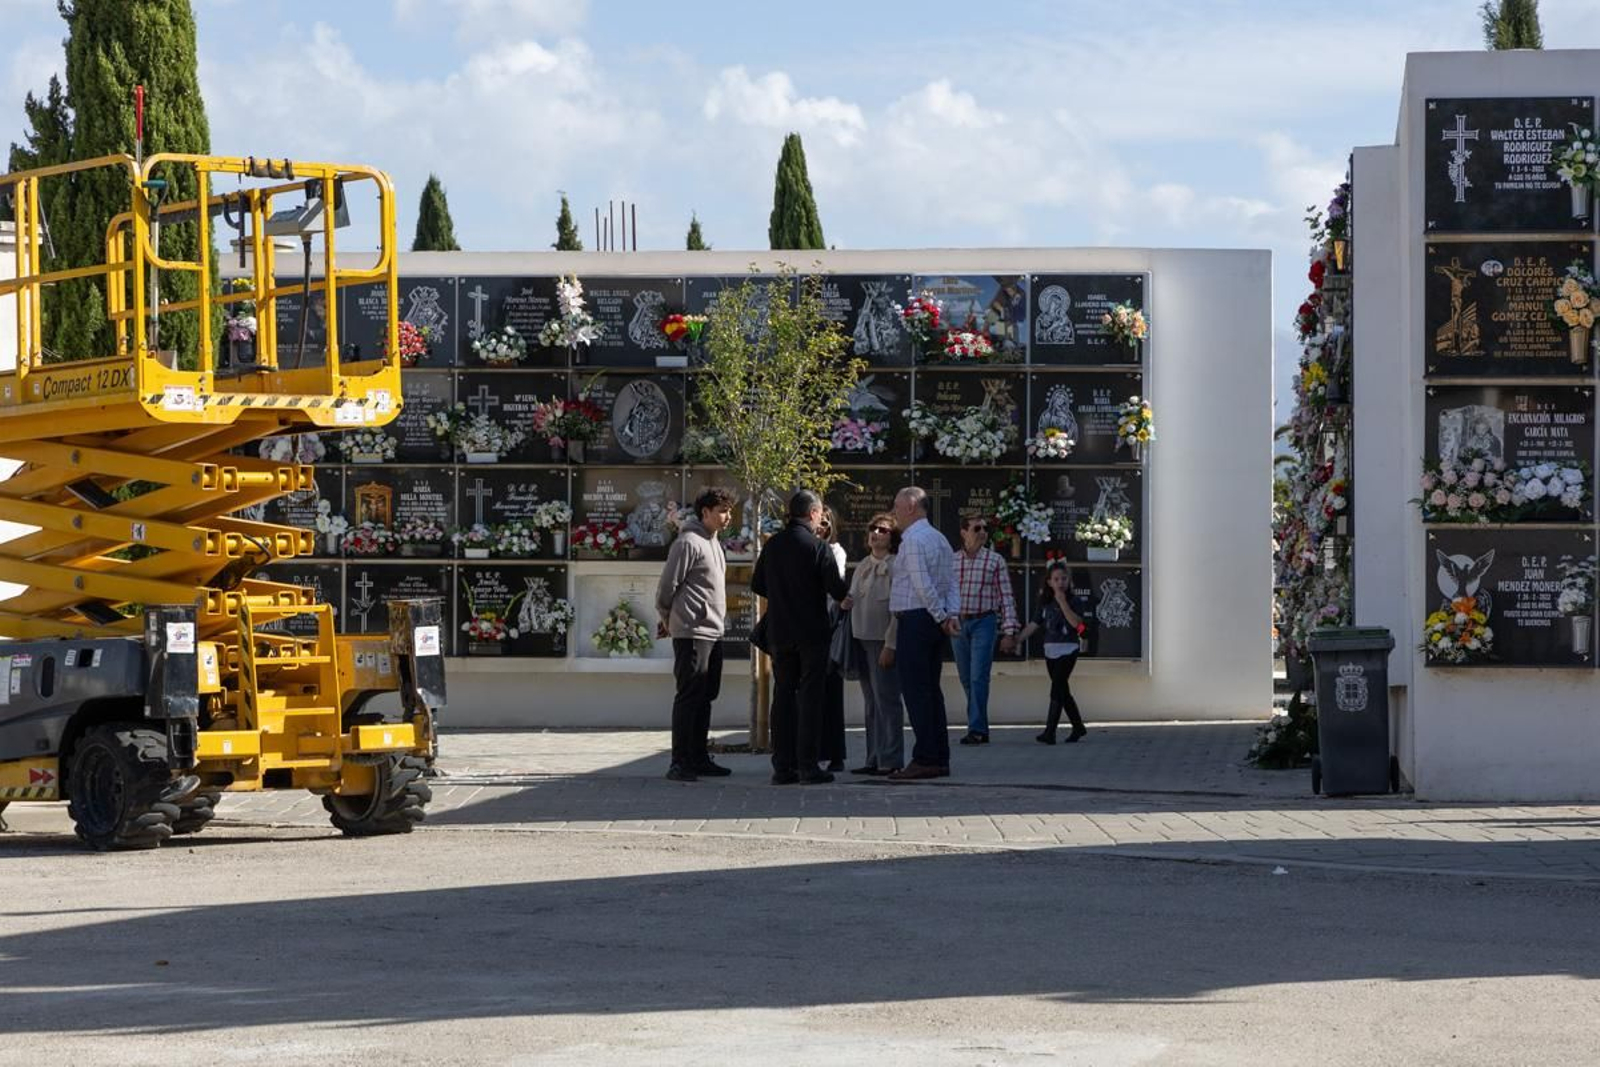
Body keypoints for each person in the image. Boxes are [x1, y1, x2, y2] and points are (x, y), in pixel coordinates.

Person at [750, 489, 850, 785]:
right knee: (810, 697)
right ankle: (808, 765)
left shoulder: (773, 545)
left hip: (780, 631)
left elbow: (758, 584)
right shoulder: (818, 547)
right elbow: (836, 588)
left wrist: (783, 596)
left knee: (782, 695)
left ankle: (782, 766)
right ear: (813, 514)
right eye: (819, 513)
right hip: (812, 633)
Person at [655, 486, 736, 781]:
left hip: (713, 630)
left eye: (729, 511)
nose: (728, 517)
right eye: (722, 512)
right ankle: (679, 761)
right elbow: (666, 588)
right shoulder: (687, 542)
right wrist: (670, 620)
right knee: (689, 694)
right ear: (705, 512)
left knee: (706, 695)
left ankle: (699, 757)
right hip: (691, 630)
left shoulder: (714, 542)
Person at [886, 486, 959, 781]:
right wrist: (949, 614)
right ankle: (939, 756)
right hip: (933, 620)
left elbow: (921, 583)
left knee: (917, 692)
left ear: (912, 507)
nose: (894, 512)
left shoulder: (913, 539)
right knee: (931, 692)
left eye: (897, 506)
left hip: (918, 620)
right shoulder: (939, 538)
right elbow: (952, 582)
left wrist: (942, 616)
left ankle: (927, 757)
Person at [841, 512, 903, 775]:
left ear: (892, 538)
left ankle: (890, 759)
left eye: (883, 530)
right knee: (870, 703)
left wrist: (891, 643)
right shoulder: (864, 565)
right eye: (873, 528)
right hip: (861, 638)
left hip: (881, 640)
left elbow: (898, 609)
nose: (876, 533)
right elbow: (853, 597)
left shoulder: (896, 565)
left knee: (886, 700)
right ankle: (873, 757)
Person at [952, 514, 1021, 745]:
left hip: (984, 621)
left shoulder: (995, 560)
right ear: (964, 532)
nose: (982, 532)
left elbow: (1006, 597)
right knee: (965, 677)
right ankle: (978, 722)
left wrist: (1010, 631)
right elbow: (946, 593)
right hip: (958, 622)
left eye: (985, 528)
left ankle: (977, 729)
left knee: (978, 676)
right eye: (977, 528)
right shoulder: (952, 561)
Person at [1014, 561, 1089, 744]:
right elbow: (1034, 624)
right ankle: (1078, 727)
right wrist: (1018, 639)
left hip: (1068, 649)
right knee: (1062, 690)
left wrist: (1063, 602)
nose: (1060, 582)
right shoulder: (1045, 602)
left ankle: (1050, 732)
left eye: (1064, 579)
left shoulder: (1074, 601)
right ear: (1049, 582)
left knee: (1057, 686)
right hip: (1050, 650)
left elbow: (1077, 624)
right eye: (1056, 579)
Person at [817, 505, 848, 772]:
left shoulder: (835, 551)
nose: (822, 528)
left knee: (831, 691)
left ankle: (835, 753)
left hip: (829, 624)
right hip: (809, 625)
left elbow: (833, 587)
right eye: (819, 523)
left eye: (827, 524)